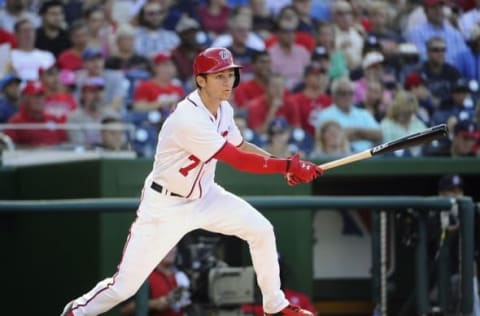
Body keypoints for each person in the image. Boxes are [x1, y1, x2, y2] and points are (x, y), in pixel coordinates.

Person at [60, 47, 322, 316]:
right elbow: (237, 160)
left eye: (230, 74)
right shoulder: (188, 117)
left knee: (262, 230)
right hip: (165, 206)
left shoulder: (224, 110)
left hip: (206, 196)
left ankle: (275, 307)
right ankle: (76, 313)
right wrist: (287, 165)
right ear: (201, 80)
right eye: (219, 76)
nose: (227, 81)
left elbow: (242, 146)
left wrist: (283, 168)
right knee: (124, 287)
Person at [119, 246, 191, 316]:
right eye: (168, 245)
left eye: (174, 245)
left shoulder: (180, 275)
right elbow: (123, 310)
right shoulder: (143, 277)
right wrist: (154, 304)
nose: (171, 250)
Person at [4, 81, 67, 147]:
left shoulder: (53, 118)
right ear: (26, 98)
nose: (39, 100)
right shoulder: (16, 122)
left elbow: (64, 141)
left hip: (56, 155)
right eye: (35, 96)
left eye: (41, 96)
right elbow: (10, 148)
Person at [380, 90, 427, 156]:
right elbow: (387, 150)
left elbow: (429, 142)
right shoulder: (386, 124)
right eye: (404, 112)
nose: (406, 116)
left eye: (409, 113)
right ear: (396, 109)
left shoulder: (417, 123)